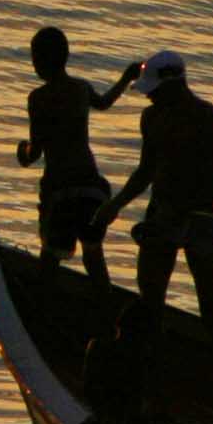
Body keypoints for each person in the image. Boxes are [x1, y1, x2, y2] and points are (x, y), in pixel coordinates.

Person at [86, 48, 213, 327]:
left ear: (174, 86)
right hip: (159, 216)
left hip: (200, 220)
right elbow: (146, 171)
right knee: (150, 302)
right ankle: (150, 359)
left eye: (154, 90)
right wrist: (114, 206)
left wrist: (179, 213)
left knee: (212, 309)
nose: (149, 95)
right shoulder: (151, 118)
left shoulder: (210, 120)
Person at [16, 27, 138, 267]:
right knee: (94, 258)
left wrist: (23, 152)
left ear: (39, 61)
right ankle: (105, 301)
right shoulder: (81, 88)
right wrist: (126, 78)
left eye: (34, 58)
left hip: (60, 188)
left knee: (50, 259)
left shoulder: (38, 99)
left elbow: (36, 152)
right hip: (90, 184)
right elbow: (104, 102)